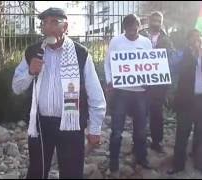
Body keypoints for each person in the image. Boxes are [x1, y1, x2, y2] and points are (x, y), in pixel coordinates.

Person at [12, 7, 106, 179]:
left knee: (71, 173)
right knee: (36, 172)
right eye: (44, 23)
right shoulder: (33, 52)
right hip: (41, 125)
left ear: (66, 27)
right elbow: (16, 87)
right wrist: (30, 72)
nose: (48, 27)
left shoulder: (80, 53)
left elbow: (95, 94)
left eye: (54, 22)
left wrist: (95, 128)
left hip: (71, 124)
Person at [104, 14, 153, 176]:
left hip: (140, 93)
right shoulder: (116, 41)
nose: (133, 30)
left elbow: (150, 65)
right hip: (121, 92)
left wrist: (150, 80)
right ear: (124, 28)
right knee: (117, 130)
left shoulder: (146, 42)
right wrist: (109, 80)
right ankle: (114, 164)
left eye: (135, 26)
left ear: (139, 26)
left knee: (140, 129)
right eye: (129, 27)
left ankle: (141, 158)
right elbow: (108, 63)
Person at [167, 29, 202, 175]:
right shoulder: (182, 54)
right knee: (182, 134)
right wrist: (191, 56)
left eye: (199, 37)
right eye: (194, 37)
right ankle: (178, 165)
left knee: (201, 134)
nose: (198, 40)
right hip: (186, 102)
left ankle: (200, 163)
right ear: (188, 40)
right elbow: (173, 68)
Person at [139, 11, 174, 153]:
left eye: (159, 20)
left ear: (162, 22)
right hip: (141, 81)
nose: (156, 23)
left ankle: (156, 141)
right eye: (154, 20)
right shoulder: (140, 35)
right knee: (140, 112)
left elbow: (170, 59)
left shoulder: (167, 39)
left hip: (158, 84)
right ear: (149, 20)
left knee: (156, 113)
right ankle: (139, 142)